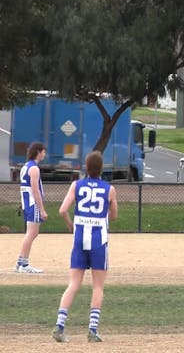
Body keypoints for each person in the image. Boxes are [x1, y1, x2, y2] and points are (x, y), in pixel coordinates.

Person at [52, 151, 118, 343]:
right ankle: (92, 330)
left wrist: (70, 225)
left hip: (80, 239)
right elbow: (113, 216)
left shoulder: (76, 185)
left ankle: (59, 325)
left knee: (73, 283)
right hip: (99, 241)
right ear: (101, 169)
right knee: (98, 286)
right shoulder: (109, 189)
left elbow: (63, 210)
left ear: (86, 168)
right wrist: (110, 205)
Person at [15, 142, 48, 273]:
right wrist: (42, 209)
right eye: (44, 152)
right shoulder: (34, 168)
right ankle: (24, 263)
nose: (44, 154)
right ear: (38, 152)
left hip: (27, 203)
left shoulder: (25, 167)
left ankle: (21, 261)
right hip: (32, 204)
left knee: (31, 233)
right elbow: (35, 190)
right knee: (32, 233)